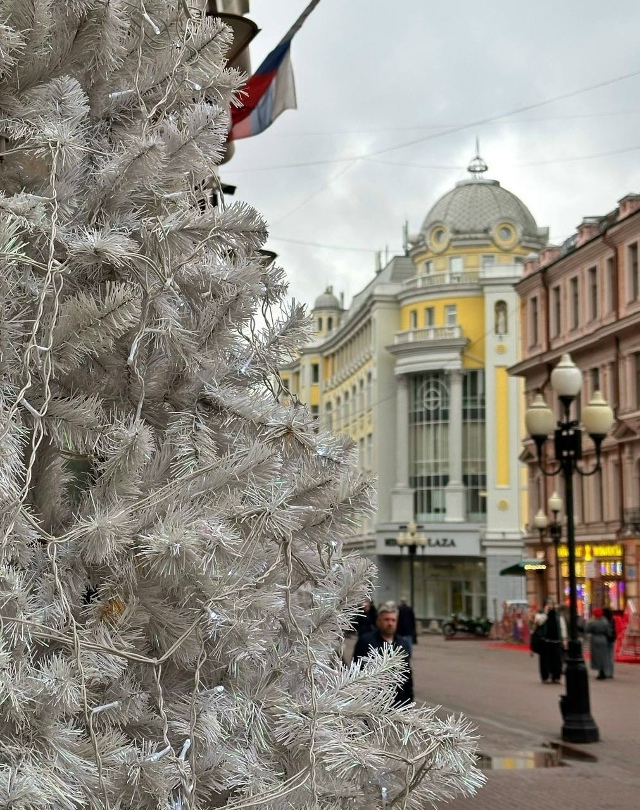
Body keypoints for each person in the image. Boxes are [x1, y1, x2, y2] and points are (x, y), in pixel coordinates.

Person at [352, 601, 414, 706]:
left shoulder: (402, 644)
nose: (390, 623)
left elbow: (407, 674)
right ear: (379, 621)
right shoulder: (366, 641)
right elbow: (356, 671)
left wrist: (409, 702)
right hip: (373, 702)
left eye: (393, 620)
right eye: (386, 619)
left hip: (398, 702)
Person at [533, 598, 567, 683]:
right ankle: (546, 677)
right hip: (545, 641)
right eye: (548, 604)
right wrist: (545, 613)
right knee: (545, 660)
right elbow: (539, 622)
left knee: (557, 660)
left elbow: (562, 627)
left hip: (556, 641)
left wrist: (564, 638)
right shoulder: (540, 614)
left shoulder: (558, 615)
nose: (550, 606)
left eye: (551, 604)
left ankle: (556, 677)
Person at [587, 607, 613, 679]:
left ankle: (600, 672)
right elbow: (608, 631)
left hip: (595, 639)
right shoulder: (605, 621)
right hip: (603, 639)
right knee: (603, 656)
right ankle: (604, 671)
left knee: (597, 657)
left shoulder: (592, 622)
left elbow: (587, 629)